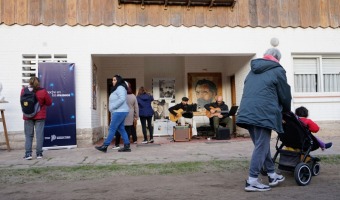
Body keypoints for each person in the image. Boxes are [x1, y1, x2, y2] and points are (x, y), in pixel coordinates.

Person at [236, 47, 292, 192]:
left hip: (247, 112)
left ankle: (272, 175)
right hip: (263, 113)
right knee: (262, 146)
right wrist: (286, 110)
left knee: (262, 145)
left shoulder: (252, 70)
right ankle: (252, 180)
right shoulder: (278, 70)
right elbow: (285, 94)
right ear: (278, 59)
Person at [95, 75, 131, 153]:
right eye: (112, 80)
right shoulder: (118, 88)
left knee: (112, 128)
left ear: (118, 80)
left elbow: (122, 99)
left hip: (119, 111)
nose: (113, 81)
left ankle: (105, 146)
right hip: (120, 111)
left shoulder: (120, 88)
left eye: (114, 80)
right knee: (121, 129)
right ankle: (127, 146)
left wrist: (113, 107)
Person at [21, 77, 52, 160]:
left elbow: (23, 103)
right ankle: (39, 154)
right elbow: (49, 103)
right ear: (38, 83)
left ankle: (28, 154)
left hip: (27, 116)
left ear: (29, 82)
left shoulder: (24, 90)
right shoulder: (43, 91)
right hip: (40, 116)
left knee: (28, 135)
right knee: (39, 135)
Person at [113, 82, 139, 149]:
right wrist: (136, 116)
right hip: (130, 114)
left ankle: (117, 144)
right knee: (128, 130)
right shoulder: (133, 96)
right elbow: (136, 107)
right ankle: (126, 145)